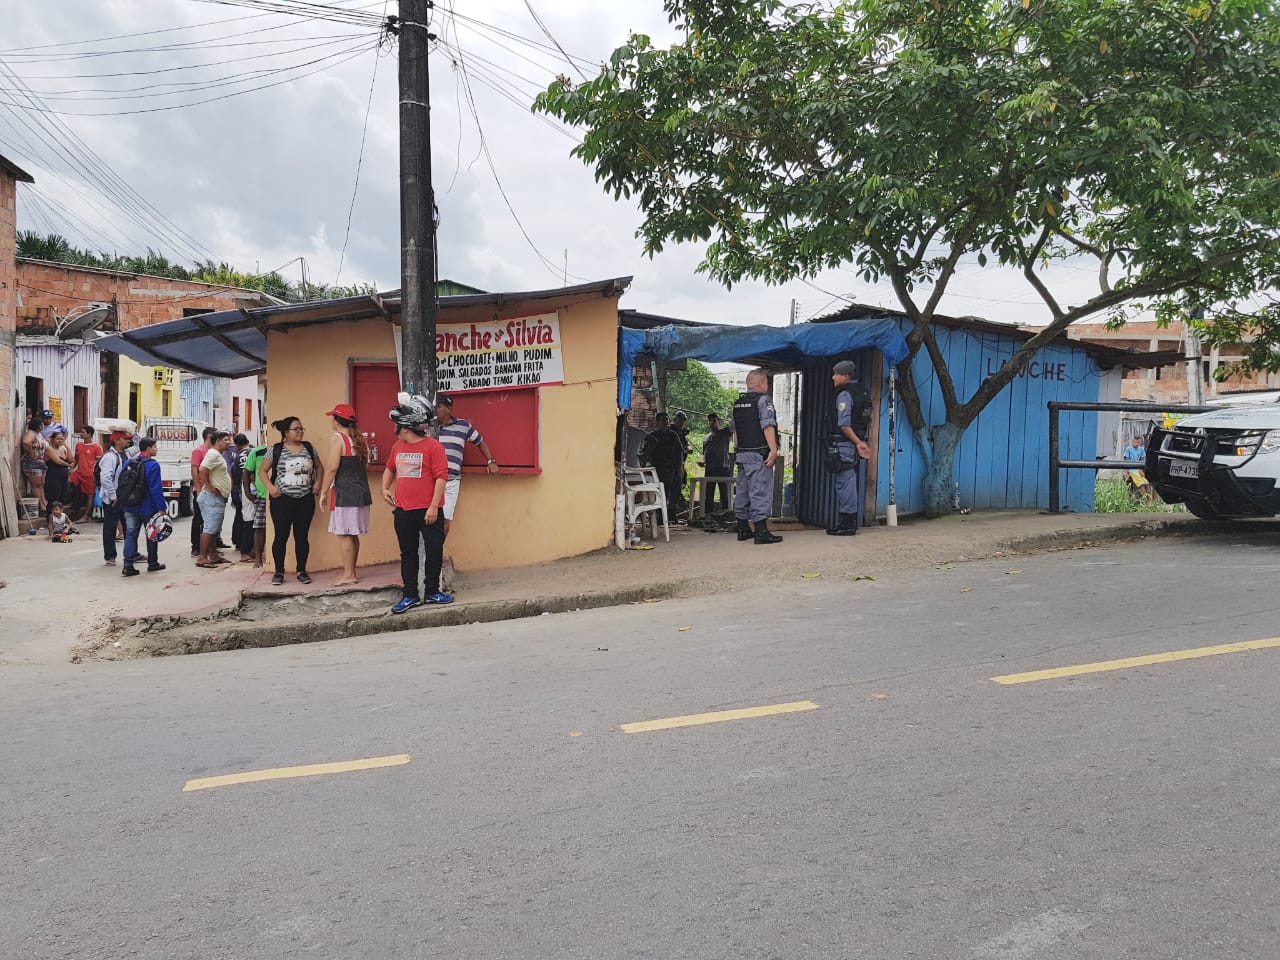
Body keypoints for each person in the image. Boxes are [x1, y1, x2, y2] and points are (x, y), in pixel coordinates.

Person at [382, 395, 452, 614]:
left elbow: (441, 477)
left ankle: (432, 591)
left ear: (405, 427)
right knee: (408, 553)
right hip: (403, 509)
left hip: (429, 509)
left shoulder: (433, 447)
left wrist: (433, 506)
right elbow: (390, 468)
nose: (395, 428)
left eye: (398, 425)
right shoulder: (397, 446)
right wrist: (384, 488)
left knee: (433, 550)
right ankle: (410, 594)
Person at [259, 416, 322, 586]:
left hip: (305, 500)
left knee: (302, 536)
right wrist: (271, 488)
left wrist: (317, 483)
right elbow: (262, 471)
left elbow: (319, 467)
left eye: (302, 429)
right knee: (281, 536)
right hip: (282, 501)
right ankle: (279, 572)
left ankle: (302, 570)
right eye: (296, 429)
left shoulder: (309, 448)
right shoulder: (276, 450)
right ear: (286, 433)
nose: (300, 432)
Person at [320, 403, 373, 586]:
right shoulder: (359, 440)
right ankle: (350, 571)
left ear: (337, 420)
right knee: (352, 534)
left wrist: (323, 491)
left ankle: (349, 574)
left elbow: (332, 467)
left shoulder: (338, 438)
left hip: (346, 493)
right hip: (361, 492)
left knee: (344, 534)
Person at [434, 395, 498, 539]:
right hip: (431, 480)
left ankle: (436, 552)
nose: (436, 409)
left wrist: (490, 461)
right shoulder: (430, 427)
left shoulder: (463, 426)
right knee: (428, 519)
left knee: (444, 521)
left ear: (449, 409)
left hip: (451, 482)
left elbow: (480, 441)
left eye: (439, 406)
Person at [731, 369, 783, 544]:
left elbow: (735, 432)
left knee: (743, 491)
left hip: (742, 454)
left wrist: (739, 449)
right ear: (760, 383)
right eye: (767, 383)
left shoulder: (738, 403)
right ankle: (761, 532)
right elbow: (768, 426)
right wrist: (773, 450)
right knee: (760, 490)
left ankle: (743, 529)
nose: (767, 387)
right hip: (758, 453)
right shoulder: (763, 401)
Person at [827, 360, 874, 536]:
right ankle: (847, 522)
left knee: (845, 482)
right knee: (848, 480)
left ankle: (847, 524)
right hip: (853, 442)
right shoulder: (862, 392)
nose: (833, 377)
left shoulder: (845, 395)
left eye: (836, 374)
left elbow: (844, 424)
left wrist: (857, 443)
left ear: (845, 376)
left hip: (845, 443)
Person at [121, 438, 166, 577]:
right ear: (148, 448)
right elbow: (155, 488)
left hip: (129, 504)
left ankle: (128, 565)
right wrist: (162, 507)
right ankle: (152, 563)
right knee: (151, 535)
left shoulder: (129, 462)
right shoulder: (153, 465)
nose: (157, 449)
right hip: (147, 506)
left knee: (130, 534)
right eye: (155, 447)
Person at [196, 431, 234, 568]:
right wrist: (210, 486)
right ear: (217, 441)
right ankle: (202, 557)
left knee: (214, 528)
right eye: (226, 439)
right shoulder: (213, 454)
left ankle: (213, 555)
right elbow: (202, 469)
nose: (229, 442)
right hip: (212, 497)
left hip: (217, 497)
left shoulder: (217, 455)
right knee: (210, 528)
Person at [98, 430, 132, 567]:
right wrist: (113, 496)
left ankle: (131, 553)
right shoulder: (110, 457)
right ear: (117, 440)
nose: (128, 441)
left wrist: (131, 430)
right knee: (110, 527)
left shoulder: (126, 454)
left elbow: (138, 443)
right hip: (113, 498)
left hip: (123, 497)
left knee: (129, 527)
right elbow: (105, 478)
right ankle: (110, 556)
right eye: (125, 438)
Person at [642, 412, 686, 518]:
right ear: (657, 422)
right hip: (658, 468)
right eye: (663, 420)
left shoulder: (673, 435)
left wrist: (680, 467)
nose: (666, 422)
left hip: (672, 467)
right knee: (660, 492)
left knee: (675, 491)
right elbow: (645, 453)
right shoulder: (652, 436)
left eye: (667, 420)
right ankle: (660, 516)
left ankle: (671, 515)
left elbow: (679, 451)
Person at [241, 440, 269, 568]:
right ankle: (258, 558)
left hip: (281, 495)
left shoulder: (283, 450)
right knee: (259, 526)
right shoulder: (257, 451)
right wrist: (247, 492)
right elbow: (246, 472)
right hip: (262, 495)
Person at [189, 427, 215, 559]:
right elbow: (194, 471)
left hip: (213, 490)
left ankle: (210, 547)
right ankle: (196, 547)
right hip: (201, 490)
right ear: (209, 436)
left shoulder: (214, 452)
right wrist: (198, 489)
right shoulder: (198, 451)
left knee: (211, 520)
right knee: (198, 519)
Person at [701, 413, 734, 514]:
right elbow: (704, 452)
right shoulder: (706, 437)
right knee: (708, 494)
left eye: (714, 421)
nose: (711, 423)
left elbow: (734, 425)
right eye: (709, 421)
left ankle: (726, 515)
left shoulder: (725, 433)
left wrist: (730, 420)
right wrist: (703, 461)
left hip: (723, 468)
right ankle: (708, 515)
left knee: (724, 494)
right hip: (710, 468)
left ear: (718, 422)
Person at [228, 433, 254, 561]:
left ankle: (238, 542)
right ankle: (247, 548)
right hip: (249, 489)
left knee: (239, 516)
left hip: (238, 489)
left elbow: (233, 475)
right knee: (249, 519)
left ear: (237, 445)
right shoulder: (253, 452)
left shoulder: (237, 457)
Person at [70, 426, 102, 523]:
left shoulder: (97, 447)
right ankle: (76, 505)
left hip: (90, 474)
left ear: (89, 434)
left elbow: (100, 463)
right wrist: (71, 468)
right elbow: (76, 458)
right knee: (67, 482)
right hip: (79, 472)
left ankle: (86, 516)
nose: (81, 434)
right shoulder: (79, 445)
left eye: (83, 432)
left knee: (90, 495)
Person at [20, 416, 48, 514]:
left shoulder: (38, 434)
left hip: (40, 462)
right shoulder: (30, 433)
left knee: (41, 484)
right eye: (41, 424)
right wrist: (32, 453)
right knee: (36, 485)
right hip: (32, 462)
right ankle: (41, 505)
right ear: (38, 425)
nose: (43, 426)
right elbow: (26, 442)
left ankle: (44, 503)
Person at [43, 429, 74, 512]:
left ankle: (60, 519)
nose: (60, 440)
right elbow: (58, 461)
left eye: (62, 439)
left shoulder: (63, 449)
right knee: (53, 498)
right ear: (52, 439)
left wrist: (66, 446)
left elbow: (71, 459)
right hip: (53, 476)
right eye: (58, 439)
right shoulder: (49, 449)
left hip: (63, 477)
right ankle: (50, 519)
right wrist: (68, 465)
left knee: (62, 498)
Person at [1123, 434, 1156, 504]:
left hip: (1139, 470)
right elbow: (1126, 461)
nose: (1136, 444)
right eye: (1135, 442)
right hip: (1132, 470)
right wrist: (1125, 472)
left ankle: (1150, 500)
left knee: (1147, 483)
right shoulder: (1128, 449)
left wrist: (1141, 470)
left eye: (1138, 442)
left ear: (1140, 442)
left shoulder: (1141, 449)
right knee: (1141, 484)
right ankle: (1146, 501)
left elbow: (1142, 461)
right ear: (1132, 442)